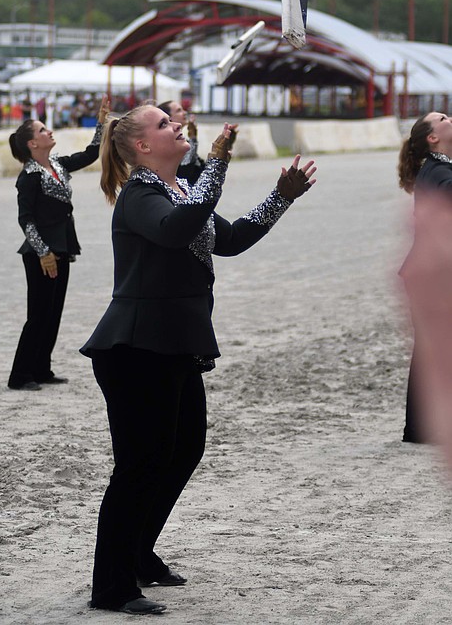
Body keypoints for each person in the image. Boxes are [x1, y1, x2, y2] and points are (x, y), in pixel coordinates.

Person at [80, 104, 316, 615]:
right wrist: (217, 163)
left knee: (182, 451)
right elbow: (175, 230)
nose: (175, 126)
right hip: (136, 348)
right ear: (142, 146)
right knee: (139, 466)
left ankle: (139, 553)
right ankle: (112, 585)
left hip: (175, 344)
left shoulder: (179, 190)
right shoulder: (139, 195)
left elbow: (227, 240)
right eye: (163, 125)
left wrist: (281, 198)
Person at [7, 95, 110, 391]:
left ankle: (41, 368)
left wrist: (101, 122)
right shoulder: (28, 177)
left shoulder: (58, 165)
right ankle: (20, 375)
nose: (48, 132)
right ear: (32, 144)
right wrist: (43, 252)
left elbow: (91, 154)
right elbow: (25, 220)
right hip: (41, 253)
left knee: (53, 313)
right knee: (37, 315)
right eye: (42, 130)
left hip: (63, 247)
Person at [398, 111, 452, 443]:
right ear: (432, 138)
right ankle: (420, 428)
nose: (450, 118)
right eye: (444, 117)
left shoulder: (435, 169)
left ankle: (419, 429)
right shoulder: (437, 172)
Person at [157, 100, 208, 184]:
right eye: (179, 110)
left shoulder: (184, 142)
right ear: (168, 118)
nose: (185, 113)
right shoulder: (168, 146)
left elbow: (203, 169)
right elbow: (185, 170)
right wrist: (193, 139)